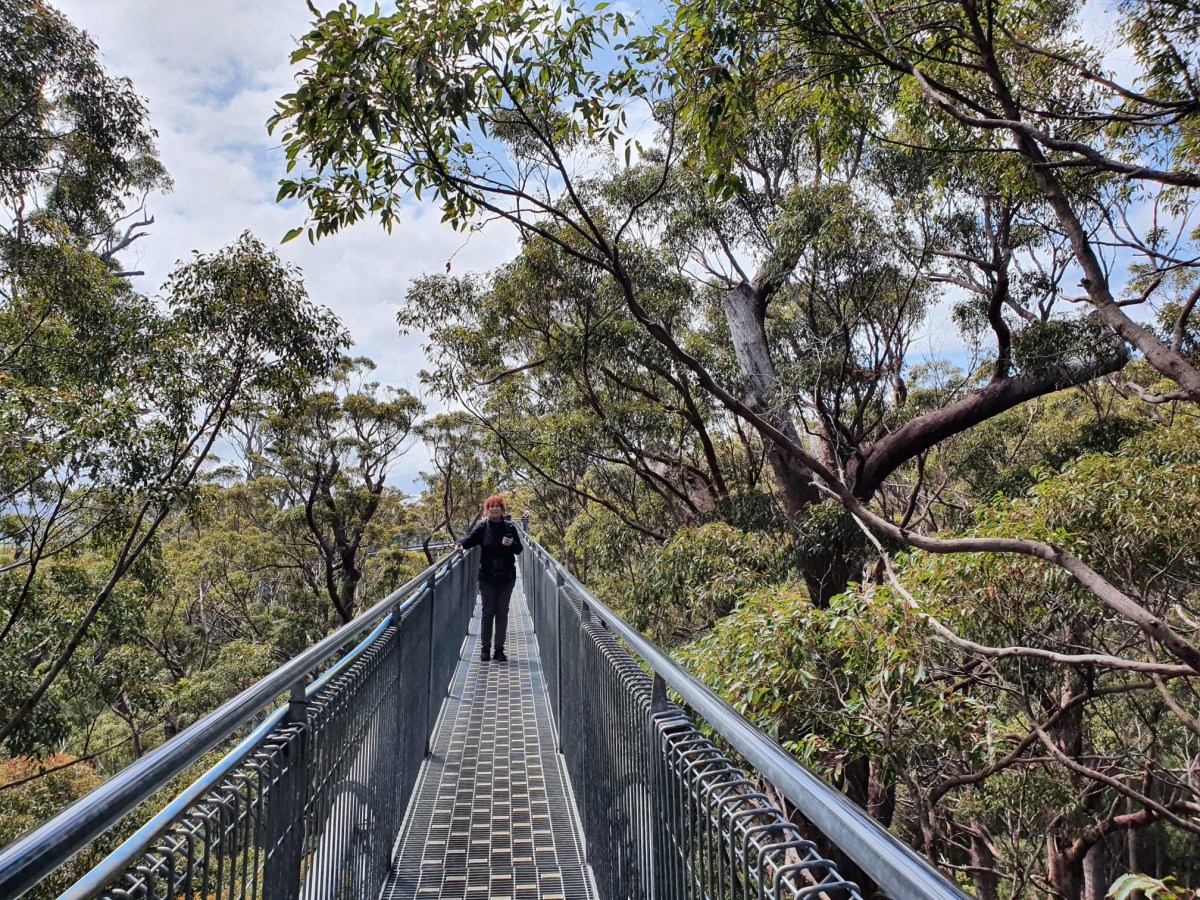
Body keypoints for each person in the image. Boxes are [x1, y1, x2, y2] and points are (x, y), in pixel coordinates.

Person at [456, 495, 523, 662]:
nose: (494, 509)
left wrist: (511, 545)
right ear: (487, 509)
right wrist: (460, 544)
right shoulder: (483, 527)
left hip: (506, 577)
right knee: (487, 613)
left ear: (502, 509)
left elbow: (519, 549)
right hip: (487, 577)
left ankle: (499, 650)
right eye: (491, 506)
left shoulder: (509, 526)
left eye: (497, 506)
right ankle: (485, 649)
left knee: (502, 613)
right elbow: (470, 539)